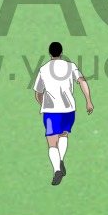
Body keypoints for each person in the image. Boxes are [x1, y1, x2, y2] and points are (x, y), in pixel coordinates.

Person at [32, 40, 92, 185]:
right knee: (64, 135)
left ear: (49, 53)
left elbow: (38, 93)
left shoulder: (44, 69)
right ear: (62, 53)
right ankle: (61, 160)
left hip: (51, 111)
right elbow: (82, 81)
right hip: (68, 109)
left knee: (52, 142)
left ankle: (57, 169)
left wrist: (43, 104)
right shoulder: (71, 66)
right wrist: (88, 100)